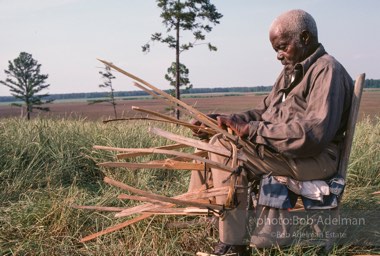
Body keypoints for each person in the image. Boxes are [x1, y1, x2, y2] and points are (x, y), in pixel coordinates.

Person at [190, 9, 353, 256]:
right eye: (276, 49)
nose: (278, 55)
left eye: (282, 47)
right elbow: (263, 112)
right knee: (212, 142)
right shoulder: (290, 72)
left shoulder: (326, 70)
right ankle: (204, 214)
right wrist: (227, 120)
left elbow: (312, 135)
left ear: (305, 38)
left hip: (315, 158)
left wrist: (252, 130)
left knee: (224, 149)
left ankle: (234, 244)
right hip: (290, 153)